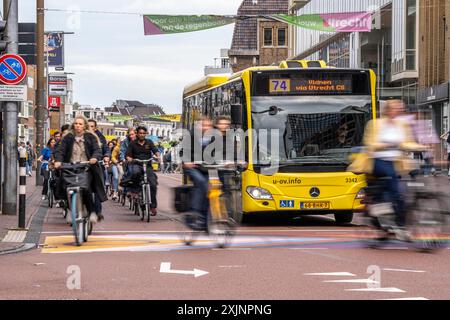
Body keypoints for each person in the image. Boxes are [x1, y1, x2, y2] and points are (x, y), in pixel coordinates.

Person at [357, 100, 424, 229]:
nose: (399, 111)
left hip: (396, 162)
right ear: (387, 110)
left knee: (414, 174)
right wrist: (386, 145)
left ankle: (401, 211)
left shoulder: (402, 125)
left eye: (400, 109)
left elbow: (407, 142)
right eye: (396, 108)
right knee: (393, 182)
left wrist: (421, 147)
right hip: (377, 161)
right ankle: (399, 222)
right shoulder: (374, 124)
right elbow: (369, 144)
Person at [54, 115, 107, 223]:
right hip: (70, 167)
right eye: (76, 123)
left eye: (80, 124)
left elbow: (97, 149)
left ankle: (92, 212)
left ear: (84, 126)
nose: (78, 126)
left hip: (86, 167)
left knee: (86, 187)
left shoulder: (91, 137)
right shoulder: (68, 137)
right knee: (65, 185)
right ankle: (69, 209)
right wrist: (58, 161)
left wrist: (94, 158)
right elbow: (61, 150)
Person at [182, 116, 214, 230]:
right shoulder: (191, 136)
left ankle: (205, 220)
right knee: (200, 182)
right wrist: (187, 161)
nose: (206, 128)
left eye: (208, 125)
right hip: (193, 167)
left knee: (212, 188)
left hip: (205, 168)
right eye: (204, 125)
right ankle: (195, 213)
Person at [126, 126, 160, 216]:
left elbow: (156, 151)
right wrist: (129, 158)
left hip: (147, 165)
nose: (142, 135)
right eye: (140, 133)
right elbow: (128, 155)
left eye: (143, 133)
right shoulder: (132, 143)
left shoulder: (149, 142)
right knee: (135, 173)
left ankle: (153, 206)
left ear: (146, 134)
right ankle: (136, 191)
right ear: (137, 133)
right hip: (137, 164)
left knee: (153, 184)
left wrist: (158, 156)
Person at [88, 119, 110, 217]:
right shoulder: (81, 136)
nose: (89, 128)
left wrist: (106, 156)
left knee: (98, 186)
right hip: (84, 164)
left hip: (97, 164)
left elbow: (105, 148)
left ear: (95, 128)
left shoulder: (100, 137)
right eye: (88, 126)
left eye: (92, 126)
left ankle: (98, 211)